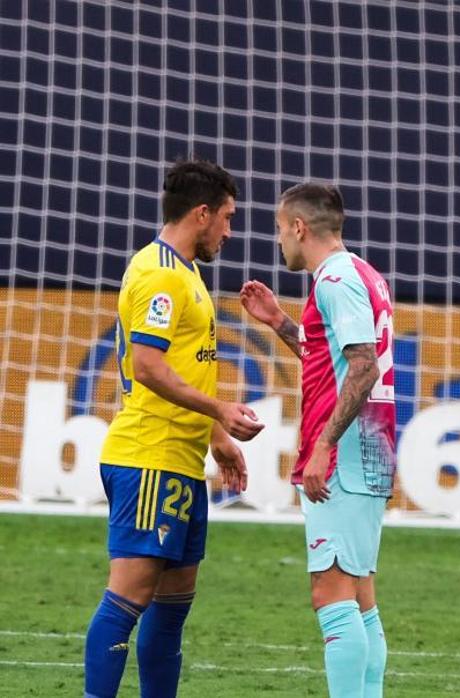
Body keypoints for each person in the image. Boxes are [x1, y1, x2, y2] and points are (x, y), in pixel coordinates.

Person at [84, 159, 263, 698]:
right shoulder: (160, 274)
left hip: (180, 462)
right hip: (148, 457)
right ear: (202, 213)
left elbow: (182, 364)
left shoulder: (185, 271)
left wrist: (216, 438)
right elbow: (149, 367)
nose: (230, 231)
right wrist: (219, 409)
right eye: (227, 218)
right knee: (128, 599)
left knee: (173, 607)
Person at [240, 182, 396, 698]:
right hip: (371, 447)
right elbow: (332, 355)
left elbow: (363, 366)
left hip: (346, 455)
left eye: (280, 229)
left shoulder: (334, 279)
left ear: (299, 227)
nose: (279, 239)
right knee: (359, 595)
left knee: (330, 593)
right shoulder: (363, 274)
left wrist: (325, 446)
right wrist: (281, 323)